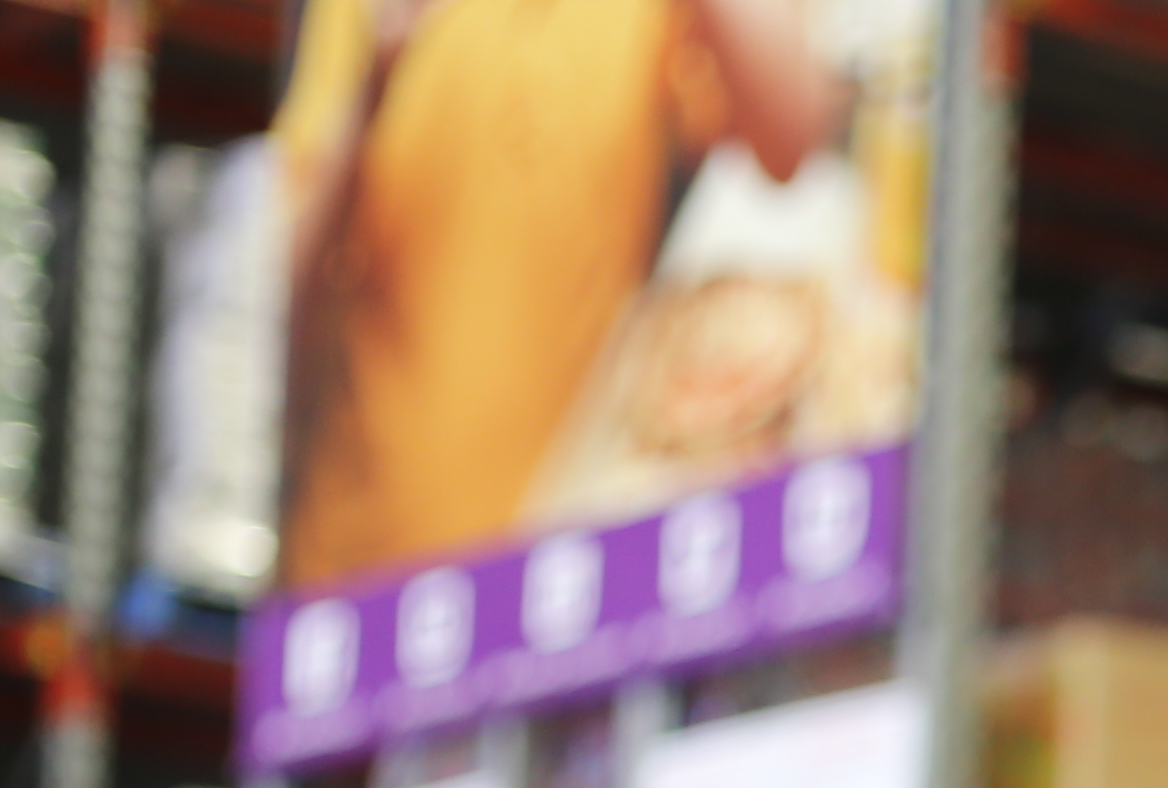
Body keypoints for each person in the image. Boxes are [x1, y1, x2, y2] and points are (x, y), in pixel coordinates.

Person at [273, 0, 848, 587]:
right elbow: (274, 293)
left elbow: (793, 135)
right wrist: (372, 83)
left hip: (554, 572)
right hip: (359, 569)